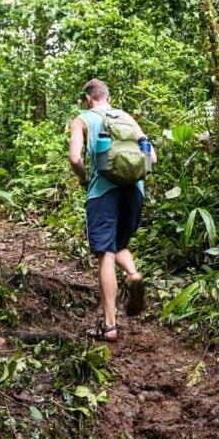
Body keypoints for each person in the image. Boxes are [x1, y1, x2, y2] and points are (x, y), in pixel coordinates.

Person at [68, 78, 157, 342]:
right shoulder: (128, 118)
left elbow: (75, 158)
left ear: (88, 99)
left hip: (103, 192)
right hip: (135, 190)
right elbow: (151, 157)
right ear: (109, 97)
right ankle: (133, 274)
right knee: (119, 243)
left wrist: (84, 179)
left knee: (105, 253)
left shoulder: (82, 119)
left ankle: (109, 326)